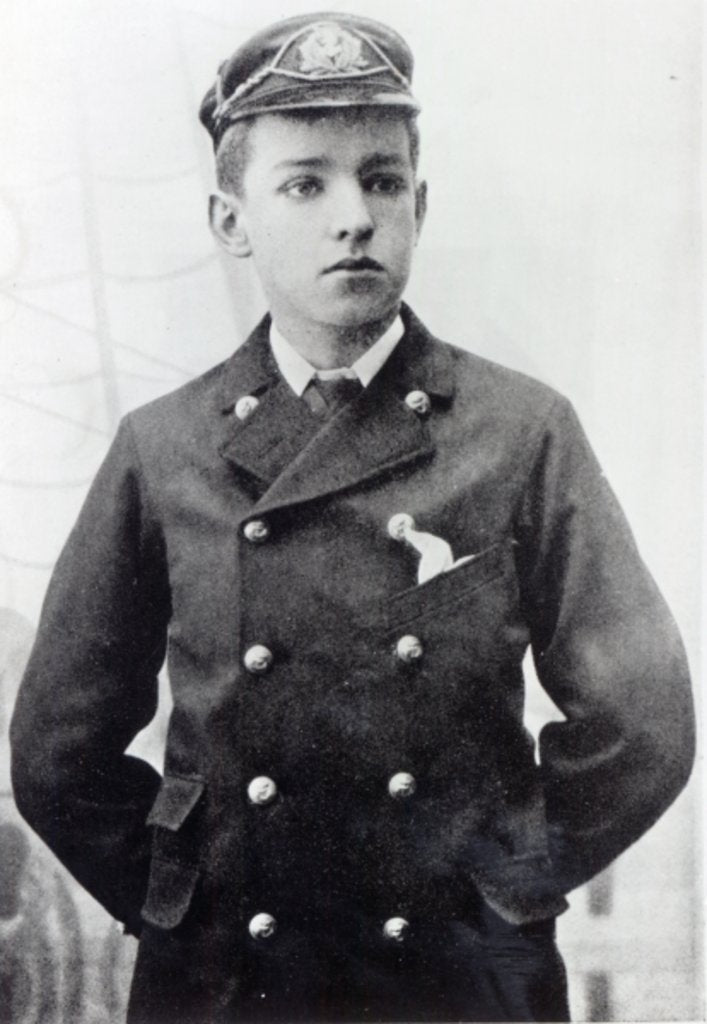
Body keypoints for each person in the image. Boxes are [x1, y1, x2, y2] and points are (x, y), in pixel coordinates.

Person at [10, 12, 695, 1024]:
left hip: (456, 983)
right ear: (229, 221)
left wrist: (504, 883)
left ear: (418, 203)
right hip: (230, 985)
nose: (353, 216)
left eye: (380, 181)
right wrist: (182, 896)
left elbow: (641, 722)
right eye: (305, 182)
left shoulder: (518, 432)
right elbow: (55, 754)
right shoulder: (163, 449)